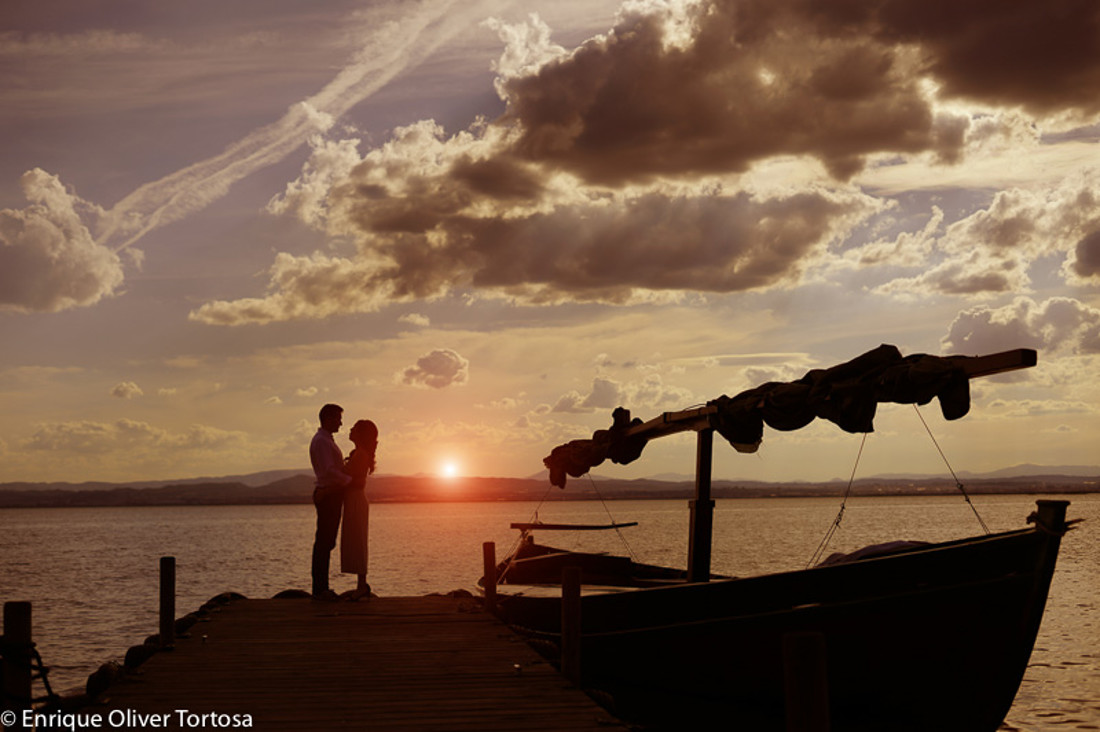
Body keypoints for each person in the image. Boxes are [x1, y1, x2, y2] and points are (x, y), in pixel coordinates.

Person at [309, 403, 351, 600]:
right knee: (324, 542)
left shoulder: (324, 441)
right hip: (329, 494)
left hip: (330, 493)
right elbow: (328, 471)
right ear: (328, 419)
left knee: (326, 541)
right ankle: (320, 589)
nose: (341, 423)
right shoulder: (322, 442)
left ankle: (321, 588)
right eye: (338, 419)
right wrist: (349, 481)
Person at [341, 419, 378, 600]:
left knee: (358, 541)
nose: (350, 430)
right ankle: (360, 585)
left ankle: (362, 586)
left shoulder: (361, 454)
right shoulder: (359, 453)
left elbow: (358, 481)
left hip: (356, 499)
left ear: (361, 434)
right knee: (355, 540)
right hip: (353, 499)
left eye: (354, 428)